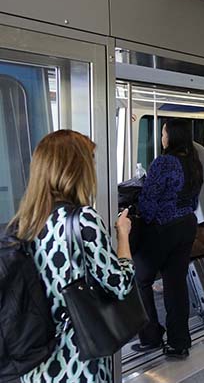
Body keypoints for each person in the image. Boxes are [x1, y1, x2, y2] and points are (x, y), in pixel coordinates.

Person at [11, 130, 135, 383]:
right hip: (76, 359)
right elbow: (120, 285)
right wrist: (123, 235)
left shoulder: (24, 222)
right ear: (76, 169)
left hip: (34, 360)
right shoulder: (82, 220)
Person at [134, 118, 203, 359]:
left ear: (171, 136)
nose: (162, 138)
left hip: (163, 228)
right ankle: (179, 342)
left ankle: (151, 336)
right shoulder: (194, 162)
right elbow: (194, 201)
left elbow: (149, 201)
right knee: (176, 285)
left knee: (140, 279)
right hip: (186, 226)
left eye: (163, 133)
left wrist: (142, 221)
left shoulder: (163, 163)